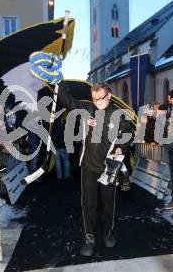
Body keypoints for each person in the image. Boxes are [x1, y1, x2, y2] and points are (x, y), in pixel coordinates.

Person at [58, 81, 133, 256]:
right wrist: (59, 83)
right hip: (88, 166)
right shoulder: (87, 109)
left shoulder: (118, 114)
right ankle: (89, 237)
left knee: (108, 203)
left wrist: (121, 145)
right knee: (88, 203)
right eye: (95, 99)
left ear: (109, 96)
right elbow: (68, 101)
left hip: (109, 167)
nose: (98, 102)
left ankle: (108, 232)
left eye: (101, 99)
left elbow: (128, 133)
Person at [53, 115, 71, 180]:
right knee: (66, 161)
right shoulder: (67, 124)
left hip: (56, 145)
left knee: (57, 161)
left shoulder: (54, 124)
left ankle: (59, 176)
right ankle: (67, 176)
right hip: (64, 145)